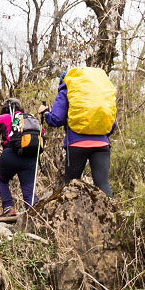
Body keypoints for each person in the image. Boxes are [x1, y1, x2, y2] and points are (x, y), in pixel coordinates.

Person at [43, 68, 116, 197]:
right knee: (103, 184)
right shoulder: (100, 93)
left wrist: (45, 113)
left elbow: (56, 119)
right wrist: (100, 135)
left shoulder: (67, 88)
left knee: (71, 185)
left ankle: (70, 211)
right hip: (102, 144)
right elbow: (112, 125)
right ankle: (112, 210)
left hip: (76, 144)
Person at [0, 98, 40, 222]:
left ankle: (9, 208)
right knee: (28, 186)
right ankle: (33, 215)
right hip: (30, 156)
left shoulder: (6, 117)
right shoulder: (31, 119)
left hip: (11, 154)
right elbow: (42, 132)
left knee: (2, 181)